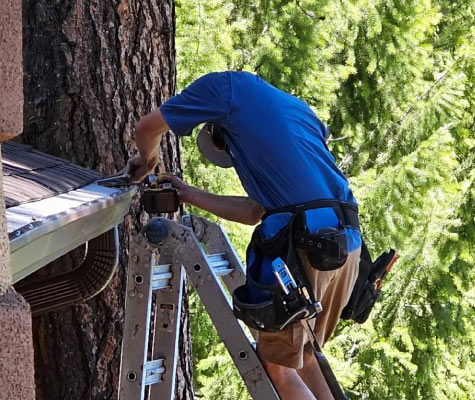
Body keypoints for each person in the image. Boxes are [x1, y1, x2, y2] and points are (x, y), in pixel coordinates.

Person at [125, 71, 361, 400]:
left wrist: (148, 162)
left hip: (301, 242)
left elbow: (146, 128)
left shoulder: (223, 89)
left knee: (275, 365)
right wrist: (189, 195)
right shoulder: (297, 111)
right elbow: (254, 212)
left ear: (217, 130)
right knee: (304, 354)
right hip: (344, 242)